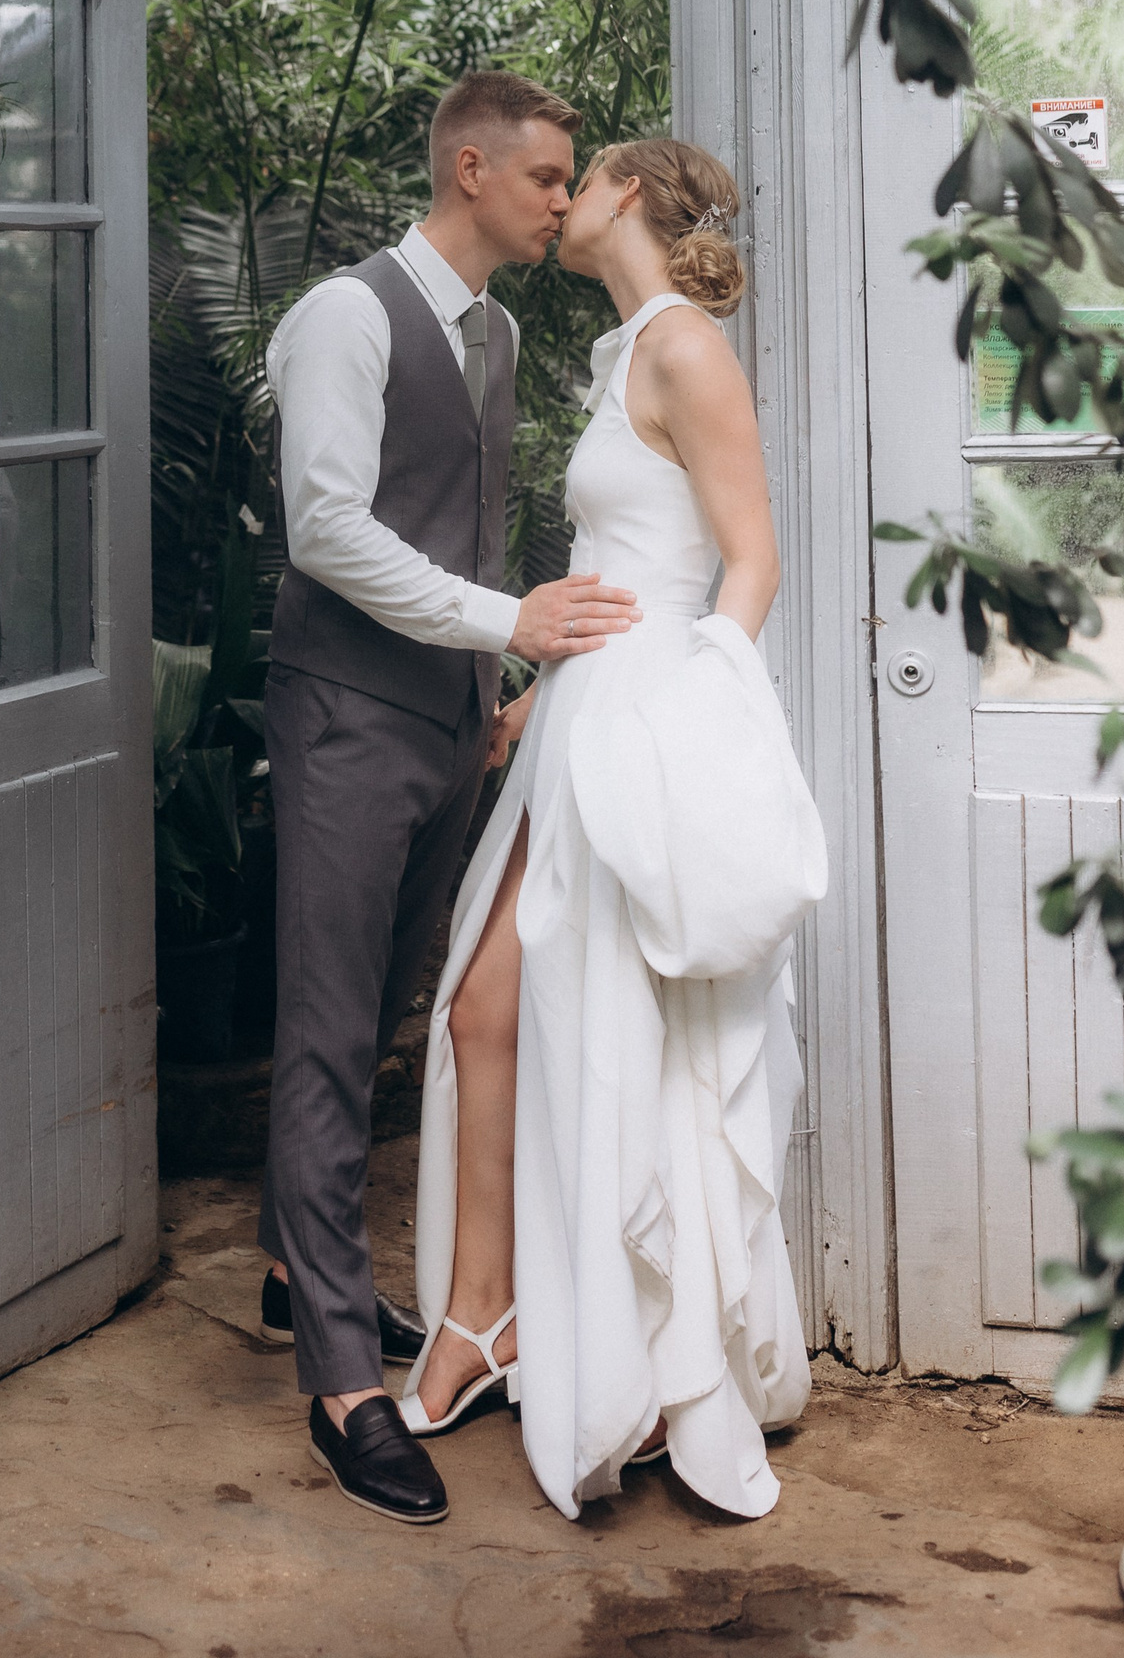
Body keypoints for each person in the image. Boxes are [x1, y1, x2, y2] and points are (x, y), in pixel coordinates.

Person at [401, 138, 827, 1521]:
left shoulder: (686, 347)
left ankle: (611, 1353)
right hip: (582, 718)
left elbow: (749, 562)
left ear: (628, 194)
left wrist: (686, 721)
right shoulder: (625, 348)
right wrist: (545, 688)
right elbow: (624, 561)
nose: (562, 197)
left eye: (581, 178)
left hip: (645, 734)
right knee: (486, 1008)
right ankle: (490, 1317)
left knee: (596, 1035)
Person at [256, 73, 642, 1527]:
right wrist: (506, 624)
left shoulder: (502, 333)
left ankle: (294, 1269)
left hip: (449, 724)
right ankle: (343, 1386)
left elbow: (466, 516)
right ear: (470, 170)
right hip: (346, 719)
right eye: (546, 178)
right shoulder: (345, 318)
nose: (563, 202)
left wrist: (494, 688)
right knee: (325, 1026)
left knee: (375, 1018)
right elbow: (325, 528)